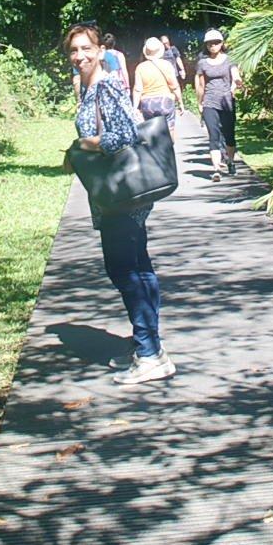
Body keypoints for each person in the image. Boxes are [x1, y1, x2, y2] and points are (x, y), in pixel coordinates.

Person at [65, 22, 174, 385]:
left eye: (85, 48)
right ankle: (149, 347)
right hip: (116, 195)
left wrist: (85, 145)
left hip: (123, 196)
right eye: (73, 50)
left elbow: (126, 133)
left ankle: (148, 353)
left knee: (125, 270)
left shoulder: (107, 83)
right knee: (137, 268)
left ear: (100, 50)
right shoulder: (89, 88)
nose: (79, 56)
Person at [193, 27, 242, 181]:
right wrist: (199, 102)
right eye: (209, 43)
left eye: (216, 42)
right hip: (210, 102)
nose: (212, 46)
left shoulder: (230, 59)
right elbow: (201, 85)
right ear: (206, 45)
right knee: (214, 135)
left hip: (227, 101)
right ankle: (216, 170)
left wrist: (237, 83)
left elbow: (235, 74)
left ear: (222, 43)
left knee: (229, 135)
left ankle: (231, 161)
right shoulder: (202, 63)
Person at [134, 37, 182, 121]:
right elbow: (174, 86)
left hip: (147, 104)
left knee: (151, 131)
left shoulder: (140, 67)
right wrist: (180, 102)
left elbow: (138, 89)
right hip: (165, 101)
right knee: (169, 130)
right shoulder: (167, 65)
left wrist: (134, 108)